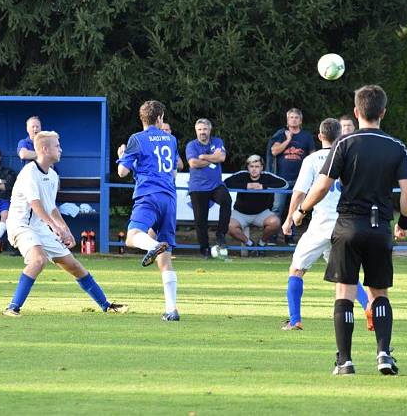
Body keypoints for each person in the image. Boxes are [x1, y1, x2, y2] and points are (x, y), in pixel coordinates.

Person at [293, 85, 407, 376]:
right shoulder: (397, 147)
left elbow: (322, 186)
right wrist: (404, 223)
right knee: (379, 293)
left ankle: (345, 361)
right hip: (379, 227)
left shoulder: (344, 144)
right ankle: (384, 353)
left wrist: (302, 211)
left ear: (357, 112)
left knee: (344, 292)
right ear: (383, 112)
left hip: (348, 225)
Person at [3, 131, 127, 317]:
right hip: (21, 225)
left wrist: (65, 230)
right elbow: (36, 205)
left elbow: (51, 208)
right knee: (38, 260)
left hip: (39, 227)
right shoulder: (29, 173)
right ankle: (12, 307)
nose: (61, 149)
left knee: (74, 266)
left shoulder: (53, 176)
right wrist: (54, 227)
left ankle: (106, 305)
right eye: (57, 146)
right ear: (44, 149)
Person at [281, 118, 371, 331]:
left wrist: (290, 219)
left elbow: (300, 192)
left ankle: (295, 320)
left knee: (296, 270)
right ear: (341, 135)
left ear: (320, 136)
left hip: (320, 226)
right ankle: (369, 308)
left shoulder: (312, 160)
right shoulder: (351, 157)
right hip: (345, 226)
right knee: (348, 276)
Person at [117, 100, 180, 321]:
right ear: (160, 117)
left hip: (148, 195)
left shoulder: (136, 139)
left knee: (132, 237)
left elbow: (122, 172)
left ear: (142, 118)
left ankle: (152, 246)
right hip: (169, 199)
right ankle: (171, 310)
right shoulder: (171, 140)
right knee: (166, 258)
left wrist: (122, 155)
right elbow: (172, 173)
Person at [186, 118, 231, 257]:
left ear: (209, 130)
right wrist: (213, 157)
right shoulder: (191, 145)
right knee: (201, 220)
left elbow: (221, 158)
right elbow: (193, 163)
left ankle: (220, 234)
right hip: (198, 187)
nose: (202, 132)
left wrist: (204, 156)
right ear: (196, 131)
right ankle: (204, 249)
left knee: (226, 200)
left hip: (216, 185)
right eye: (199, 129)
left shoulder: (217, 141)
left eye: (205, 129)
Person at [268, 108, 316, 240]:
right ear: (287, 120)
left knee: (296, 209)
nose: (293, 119)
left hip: (300, 179)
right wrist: (288, 140)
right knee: (277, 208)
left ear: (300, 120)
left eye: (296, 117)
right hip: (281, 179)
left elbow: (313, 156)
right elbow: (274, 151)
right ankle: (272, 238)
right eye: (291, 117)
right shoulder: (281, 134)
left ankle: (290, 237)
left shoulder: (306, 136)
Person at [223, 155, 287, 248]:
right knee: (228, 226)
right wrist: (246, 186)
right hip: (240, 213)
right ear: (248, 167)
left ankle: (261, 244)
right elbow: (225, 183)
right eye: (251, 166)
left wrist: (263, 187)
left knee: (275, 222)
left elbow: (284, 184)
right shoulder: (242, 174)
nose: (254, 169)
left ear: (261, 167)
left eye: (257, 167)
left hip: (261, 213)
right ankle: (250, 244)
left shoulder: (267, 176)